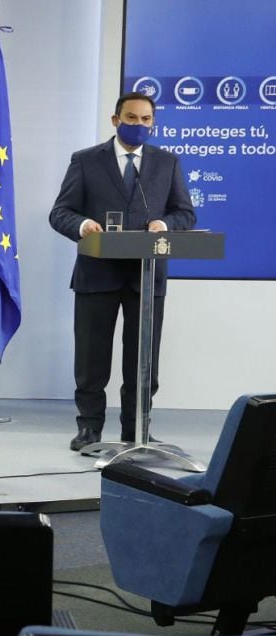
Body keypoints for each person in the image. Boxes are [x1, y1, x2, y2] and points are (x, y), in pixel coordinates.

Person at [49, 92, 196, 451]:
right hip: (96, 275)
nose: (139, 125)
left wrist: (165, 223)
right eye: (131, 118)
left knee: (143, 360)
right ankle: (89, 428)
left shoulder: (167, 162)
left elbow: (186, 213)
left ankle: (137, 429)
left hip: (146, 279)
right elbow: (60, 212)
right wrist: (83, 225)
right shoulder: (86, 161)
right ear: (115, 120)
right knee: (91, 358)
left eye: (146, 120)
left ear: (153, 123)